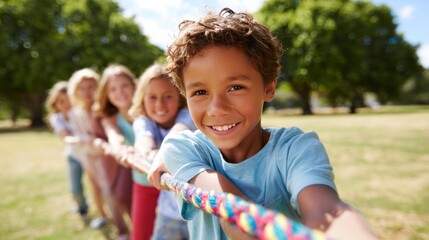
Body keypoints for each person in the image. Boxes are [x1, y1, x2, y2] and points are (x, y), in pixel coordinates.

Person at [148, 8, 378, 240]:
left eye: (235, 87)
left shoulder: (296, 149)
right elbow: (234, 212)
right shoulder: (182, 148)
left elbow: (328, 212)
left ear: (269, 88)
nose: (216, 108)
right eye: (200, 91)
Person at [128, 63, 194, 240]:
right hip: (168, 212)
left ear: (180, 97)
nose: (160, 104)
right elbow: (143, 141)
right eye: (152, 97)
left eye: (168, 96)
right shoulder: (143, 121)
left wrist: (156, 155)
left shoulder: (187, 115)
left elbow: (177, 134)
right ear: (142, 98)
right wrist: (147, 152)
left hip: (198, 213)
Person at [67, 68, 119, 230]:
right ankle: (103, 215)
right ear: (75, 91)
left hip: (106, 155)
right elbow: (77, 135)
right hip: (88, 155)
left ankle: (119, 222)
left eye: (91, 86)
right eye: (81, 88)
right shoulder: (75, 112)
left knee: (109, 188)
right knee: (95, 187)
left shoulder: (102, 108)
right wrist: (86, 139)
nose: (86, 91)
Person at [93, 64, 136, 240]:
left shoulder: (145, 108)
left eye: (124, 86)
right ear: (107, 94)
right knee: (122, 194)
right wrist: (118, 148)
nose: (120, 92)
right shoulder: (110, 118)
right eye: (113, 89)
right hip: (131, 161)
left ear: (134, 86)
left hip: (155, 160)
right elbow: (114, 135)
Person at [45, 81, 89, 224]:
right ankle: (82, 208)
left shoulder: (79, 112)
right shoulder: (56, 118)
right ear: (56, 103)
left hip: (89, 155)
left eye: (68, 99)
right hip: (74, 157)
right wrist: (78, 139)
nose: (65, 104)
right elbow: (65, 137)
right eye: (61, 101)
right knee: (76, 188)